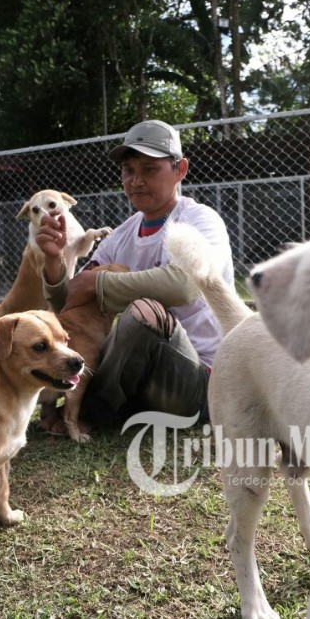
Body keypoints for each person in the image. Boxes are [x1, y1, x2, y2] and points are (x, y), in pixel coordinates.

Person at [36, 119, 235, 432]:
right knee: (121, 322)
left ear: (180, 170)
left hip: (202, 384)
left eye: (149, 169)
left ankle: (89, 414)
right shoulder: (121, 235)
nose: (136, 180)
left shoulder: (200, 219)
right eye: (129, 170)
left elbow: (184, 285)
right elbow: (71, 306)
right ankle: (85, 406)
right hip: (143, 384)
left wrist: (98, 282)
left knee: (143, 313)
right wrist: (54, 262)